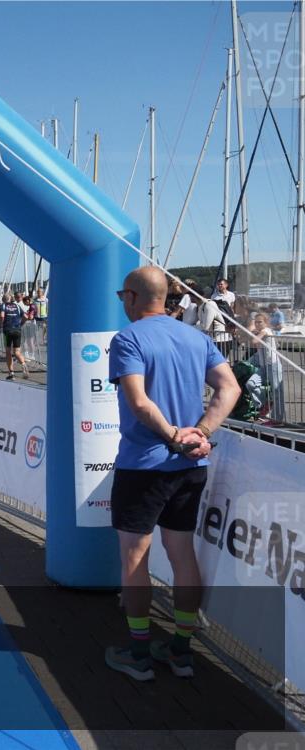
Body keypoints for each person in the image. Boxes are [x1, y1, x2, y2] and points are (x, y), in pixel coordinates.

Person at [105, 267, 239, 682]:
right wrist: (200, 433)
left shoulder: (127, 338)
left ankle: (140, 653)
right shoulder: (196, 337)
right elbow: (229, 388)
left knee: (134, 559)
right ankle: (181, 651)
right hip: (190, 467)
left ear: (131, 297)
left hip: (145, 465)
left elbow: (140, 403)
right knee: (182, 554)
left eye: (121, 296)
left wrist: (174, 437)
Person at [0, 293, 30, 380]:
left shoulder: (3, 306)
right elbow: (26, 316)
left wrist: (0, 326)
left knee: (8, 351)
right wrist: (20, 324)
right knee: (17, 352)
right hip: (17, 330)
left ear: (3, 299)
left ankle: (11, 373)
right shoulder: (17, 306)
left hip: (8, 330)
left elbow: (2, 316)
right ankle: (23, 364)